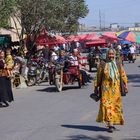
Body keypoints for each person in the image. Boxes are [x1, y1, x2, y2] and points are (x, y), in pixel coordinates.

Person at [94, 48, 128, 133]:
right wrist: (96, 87)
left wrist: (126, 85)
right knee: (107, 106)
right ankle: (110, 124)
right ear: (107, 55)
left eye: (112, 54)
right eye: (109, 54)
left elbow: (123, 74)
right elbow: (98, 76)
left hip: (116, 90)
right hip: (105, 90)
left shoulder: (118, 63)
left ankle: (113, 122)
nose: (111, 56)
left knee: (115, 106)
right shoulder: (103, 64)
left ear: (115, 55)